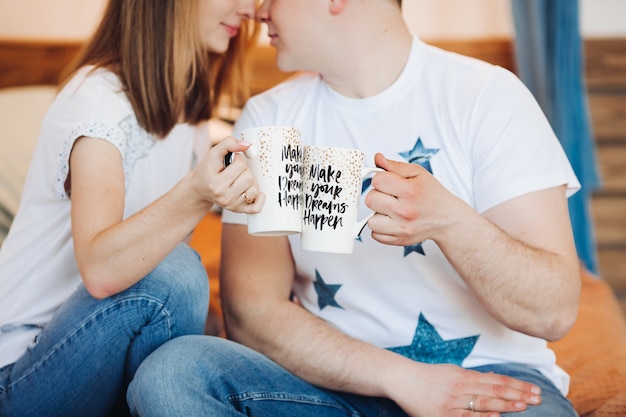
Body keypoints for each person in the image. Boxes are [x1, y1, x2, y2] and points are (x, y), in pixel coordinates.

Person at [127, 0, 582, 416]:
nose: (257, 9)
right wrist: (401, 379)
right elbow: (251, 312)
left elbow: (552, 311)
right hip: (335, 386)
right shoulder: (272, 123)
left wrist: (452, 223)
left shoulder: (487, 97)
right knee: (173, 372)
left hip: (487, 380)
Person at [0, 0, 264, 416]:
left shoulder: (189, 108)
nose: (252, 8)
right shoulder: (96, 100)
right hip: (18, 372)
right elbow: (101, 271)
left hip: (92, 354)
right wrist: (197, 194)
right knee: (177, 273)